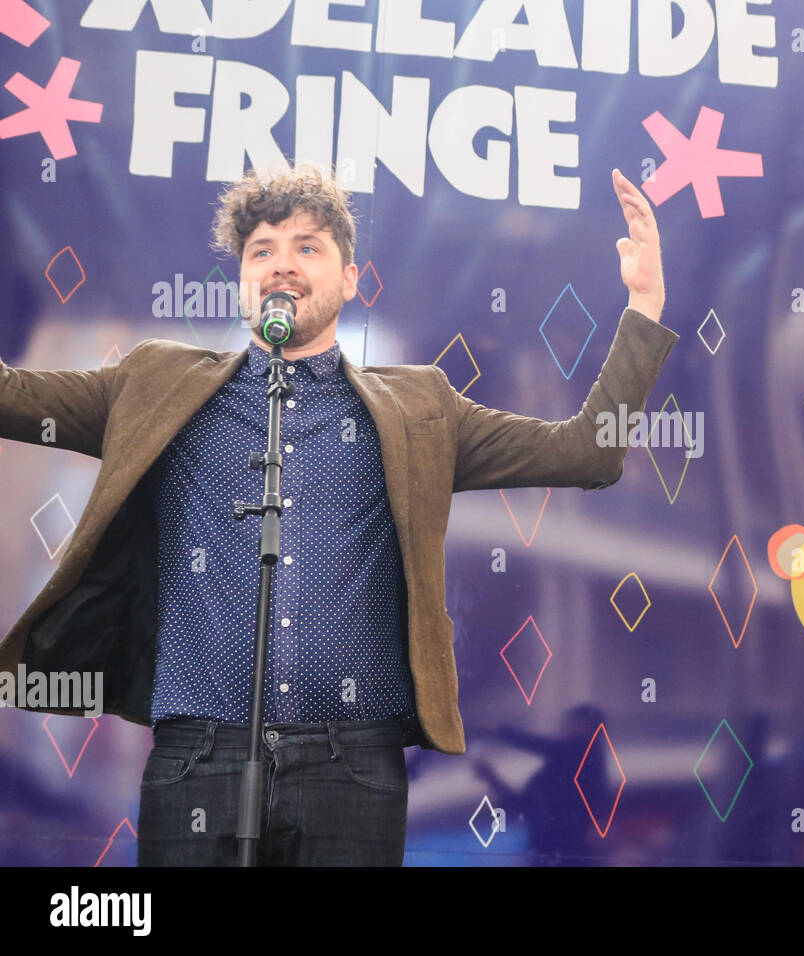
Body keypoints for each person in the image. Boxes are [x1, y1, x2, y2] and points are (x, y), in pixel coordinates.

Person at [0, 163, 676, 866]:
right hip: (198, 759)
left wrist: (643, 310)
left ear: (351, 280)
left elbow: (586, 454)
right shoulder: (155, 382)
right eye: (260, 251)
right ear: (241, 281)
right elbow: (11, 396)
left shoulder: (421, 408)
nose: (280, 264)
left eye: (307, 247)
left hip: (350, 770)